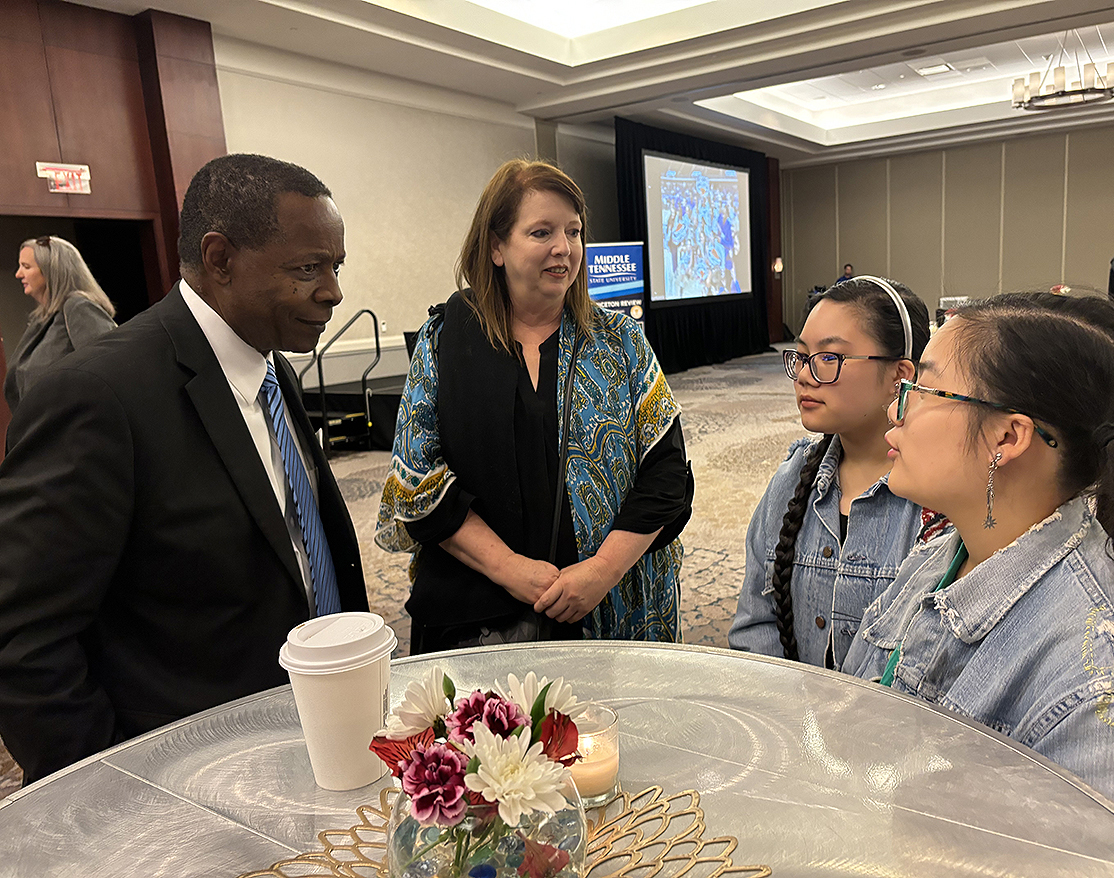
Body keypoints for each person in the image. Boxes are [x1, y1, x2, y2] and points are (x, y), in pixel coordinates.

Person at [0, 154, 368, 783]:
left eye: (334, 267)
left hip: (310, 745)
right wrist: (115, 795)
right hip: (186, 782)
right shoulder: (99, 395)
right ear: (219, 258)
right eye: (308, 268)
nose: (333, 291)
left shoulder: (270, 366)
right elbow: (22, 638)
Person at [842, 292, 1114, 836]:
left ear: (1008, 436)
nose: (894, 410)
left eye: (920, 390)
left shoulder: (1112, 697)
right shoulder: (940, 557)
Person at [376, 159, 692, 654]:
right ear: (497, 246)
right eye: (541, 232)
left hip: (610, 607)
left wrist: (601, 572)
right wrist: (511, 570)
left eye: (574, 231)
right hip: (477, 618)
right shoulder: (445, 341)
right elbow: (417, 484)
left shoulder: (620, 342)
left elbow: (667, 475)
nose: (564, 248)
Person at [729, 277, 930, 666]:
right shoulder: (792, 481)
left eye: (828, 358)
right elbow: (755, 626)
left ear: (899, 376)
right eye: (802, 357)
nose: (805, 375)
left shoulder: (934, 506)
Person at [5, 236, 117, 416]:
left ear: (51, 271)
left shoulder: (78, 306)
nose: (18, 274)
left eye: (26, 267)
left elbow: (108, 370)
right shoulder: (41, 320)